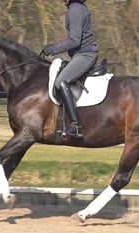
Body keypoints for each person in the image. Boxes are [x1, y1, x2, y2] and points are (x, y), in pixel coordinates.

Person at [42, 0, 99, 138]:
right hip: (80, 54)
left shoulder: (75, 9)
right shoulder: (77, 8)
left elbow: (74, 40)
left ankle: (75, 125)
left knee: (60, 81)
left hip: (85, 54)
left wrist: (53, 49)